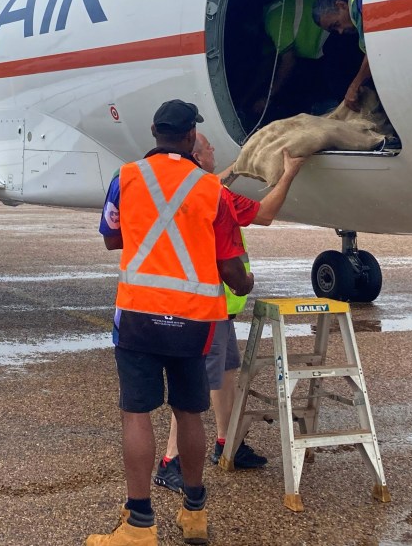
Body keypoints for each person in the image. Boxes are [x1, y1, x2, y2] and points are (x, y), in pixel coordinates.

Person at [91, 101, 253, 546]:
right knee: (189, 414)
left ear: (155, 132)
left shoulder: (125, 178)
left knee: (137, 413)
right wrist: (247, 280)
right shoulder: (212, 190)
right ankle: (194, 514)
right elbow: (232, 268)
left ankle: (140, 525)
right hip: (194, 320)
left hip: (139, 316)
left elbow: (111, 238)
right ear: (189, 138)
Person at [154, 135, 305, 492]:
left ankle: (228, 444)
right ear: (197, 156)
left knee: (225, 373)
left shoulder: (192, 187)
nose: (214, 153)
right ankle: (170, 460)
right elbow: (265, 214)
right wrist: (289, 174)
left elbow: (215, 183)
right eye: (209, 150)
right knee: (197, 383)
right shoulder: (211, 193)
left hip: (216, 306)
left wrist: (237, 169)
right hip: (204, 305)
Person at [245, 0, 330, 119]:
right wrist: (248, 96)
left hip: (331, 32)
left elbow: (288, 62)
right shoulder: (268, 33)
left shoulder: (273, 20)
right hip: (321, 47)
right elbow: (267, 65)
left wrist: (267, 98)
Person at [313, 0, 370, 112]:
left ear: (342, 5)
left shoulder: (363, 5)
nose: (340, 31)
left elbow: (375, 52)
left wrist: (355, 86)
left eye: (336, 24)